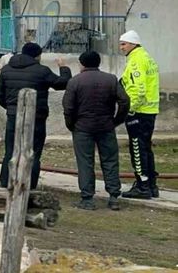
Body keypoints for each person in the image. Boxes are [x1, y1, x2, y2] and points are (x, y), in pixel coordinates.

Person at [0, 42, 71, 190]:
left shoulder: (6, 70)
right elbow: (62, 83)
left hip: (13, 116)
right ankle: (29, 186)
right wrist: (63, 67)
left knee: (10, 150)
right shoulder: (42, 70)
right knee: (33, 152)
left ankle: (6, 183)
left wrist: (11, 108)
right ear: (38, 56)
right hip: (36, 117)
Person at [62, 50, 129, 210]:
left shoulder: (75, 81)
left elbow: (68, 107)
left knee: (85, 162)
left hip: (83, 127)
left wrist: (71, 125)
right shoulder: (111, 79)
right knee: (110, 160)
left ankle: (87, 198)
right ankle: (113, 196)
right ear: (98, 63)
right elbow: (125, 101)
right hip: (106, 126)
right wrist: (116, 121)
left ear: (81, 64)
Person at [117, 30, 161, 199]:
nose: (121, 48)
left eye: (124, 44)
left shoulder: (136, 60)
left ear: (133, 44)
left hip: (139, 112)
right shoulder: (147, 58)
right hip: (149, 111)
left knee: (137, 148)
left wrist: (130, 109)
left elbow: (138, 89)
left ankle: (142, 186)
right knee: (146, 148)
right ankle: (151, 185)